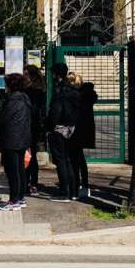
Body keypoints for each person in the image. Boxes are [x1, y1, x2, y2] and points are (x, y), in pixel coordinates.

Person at [0, 73, 32, 211]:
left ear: (11, 85)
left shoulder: (12, 100)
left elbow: (3, 119)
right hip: (23, 138)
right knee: (20, 170)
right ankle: (20, 198)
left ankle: (14, 200)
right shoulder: (25, 98)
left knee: (12, 171)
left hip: (11, 139)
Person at [46, 63, 79, 203]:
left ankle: (64, 192)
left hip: (59, 127)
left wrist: (49, 126)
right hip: (71, 128)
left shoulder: (59, 89)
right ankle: (73, 191)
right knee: (68, 159)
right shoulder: (73, 89)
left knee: (60, 160)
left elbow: (55, 110)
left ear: (57, 74)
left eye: (53, 73)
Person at [68, 72, 97, 199]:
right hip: (84, 129)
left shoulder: (77, 96)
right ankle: (84, 185)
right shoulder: (88, 95)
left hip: (76, 129)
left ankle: (78, 185)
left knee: (75, 159)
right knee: (80, 159)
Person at [23, 65, 46, 196]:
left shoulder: (29, 91)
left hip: (29, 125)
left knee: (27, 154)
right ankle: (33, 183)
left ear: (30, 76)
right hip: (35, 125)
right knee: (32, 155)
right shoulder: (41, 89)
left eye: (26, 74)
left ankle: (28, 182)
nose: (24, 76)